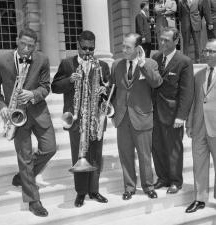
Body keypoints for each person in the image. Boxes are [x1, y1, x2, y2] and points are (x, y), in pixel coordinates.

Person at [0, 28, 56, 217]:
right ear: (17, 41)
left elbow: (45, 87)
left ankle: (24, 176)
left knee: (50, 148)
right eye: (23, 44)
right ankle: (33, 200)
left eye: (31, 46)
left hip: (39, 111)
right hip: (17, 116)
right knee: (24, 158)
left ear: (35, 46)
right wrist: (1, 106)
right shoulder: (1, 61)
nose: (26, 49)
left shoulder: (42, 59)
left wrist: (33, 94)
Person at [51, 30, 110, 208]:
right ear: (78, 46)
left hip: (95, 118)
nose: (87, 52)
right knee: (79, 155)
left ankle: (94, 190)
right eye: (84, 48)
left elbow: (108, 88)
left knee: (95, 156)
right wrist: (69, 80)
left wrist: (104, 92)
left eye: (91, 49)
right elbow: (54, 87)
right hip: (76, 119)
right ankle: (80, 192)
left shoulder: (103, 66)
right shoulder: (67, 64)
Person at [110, 33, 162, 200]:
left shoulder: (150, 63)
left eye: (128, 47)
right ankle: (129, 187)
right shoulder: (116, 65)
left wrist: (142, 64)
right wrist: (112, 111)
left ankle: (148, 186)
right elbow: (113, 89)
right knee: (125, 155)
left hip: (142, 117)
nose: (123, 50)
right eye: (123, 46)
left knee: (144, 155)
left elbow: (156, 82)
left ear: (138, 48)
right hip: (122, 118)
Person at [152, 27, 194, 194]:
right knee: (157, 147)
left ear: (176, 41)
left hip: (172, 113)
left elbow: (187, 91)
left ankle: (175, 181)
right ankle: (162, 177)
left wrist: (181, 116)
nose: (162, 43)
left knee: (173, 148)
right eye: (161, 39)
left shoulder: (184, 61)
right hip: (155, 111)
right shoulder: (155, 58)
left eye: (166, 40)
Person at [185, 39, 216, 213]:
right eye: (206, 51)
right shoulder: (198, 76)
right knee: (199, 165)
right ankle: (200, 199)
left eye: (212, 51)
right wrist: (189, 124)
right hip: (198, 127)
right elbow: (194, 102)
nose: (208, 54)